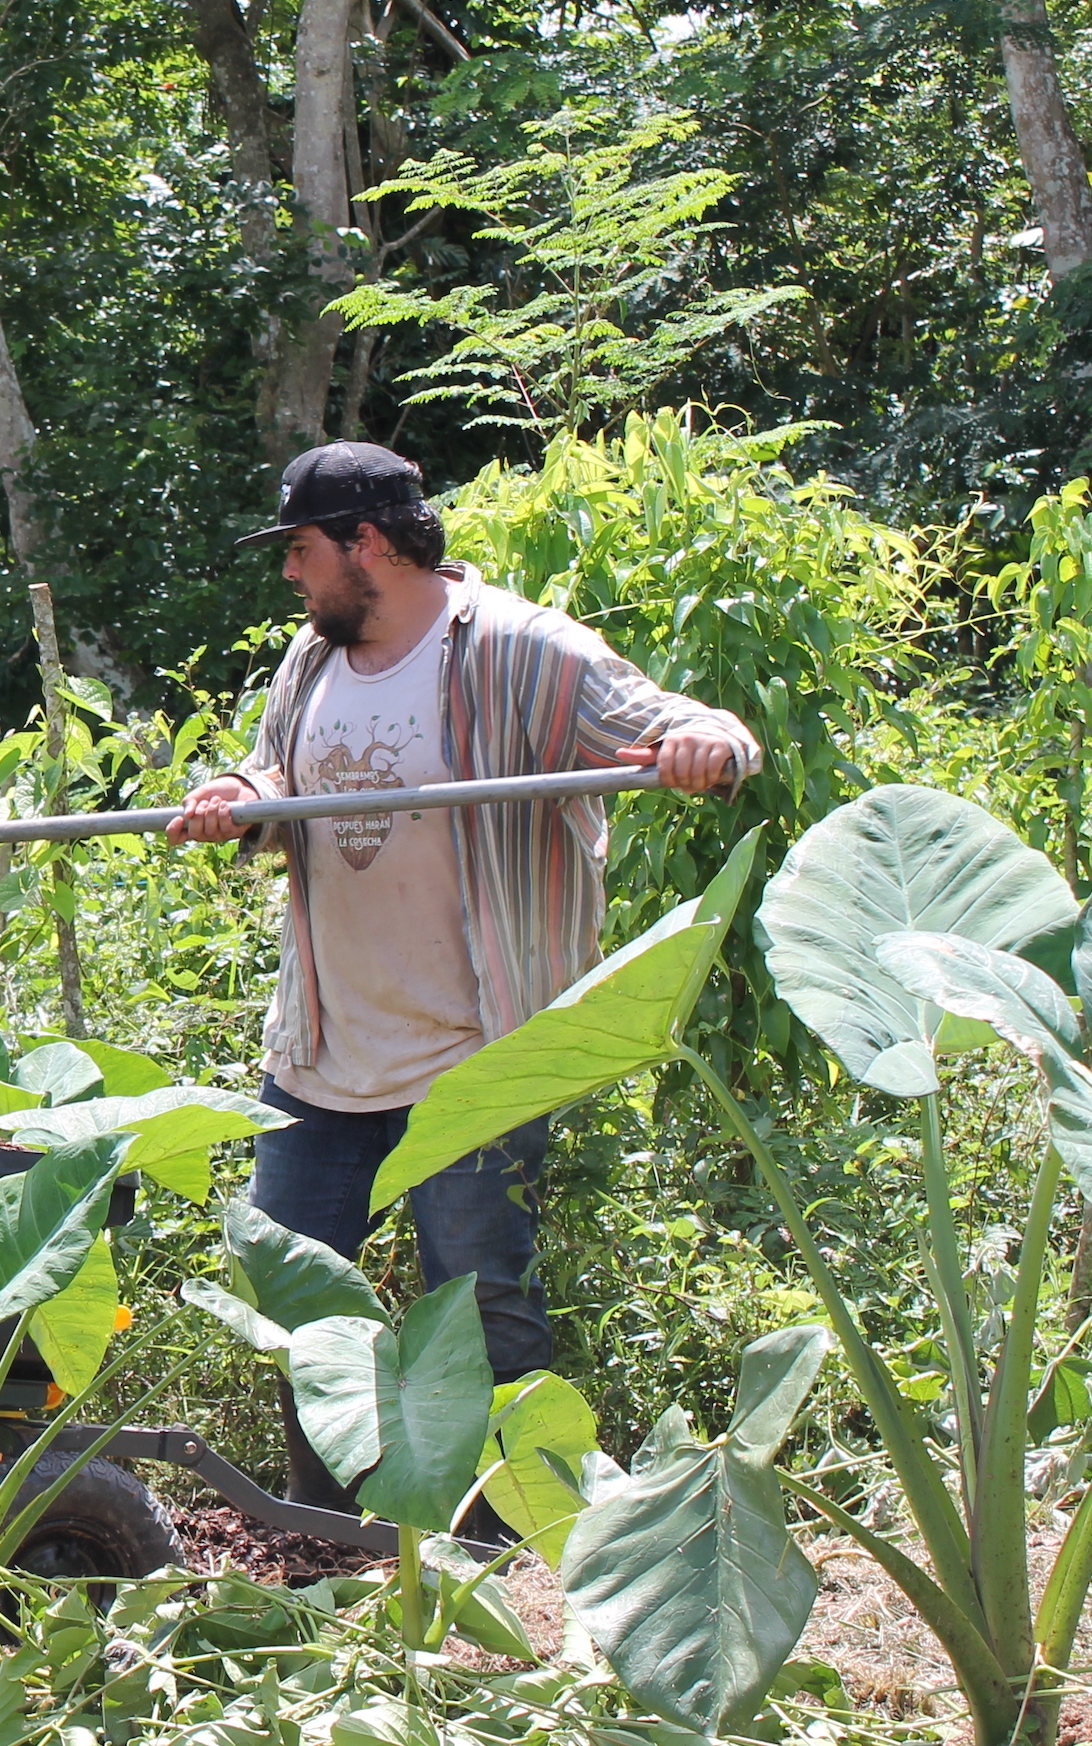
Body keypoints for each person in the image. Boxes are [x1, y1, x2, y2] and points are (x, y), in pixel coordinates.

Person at [167, 442, 757, 1512]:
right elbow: (275, 771)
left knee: (484, 1308)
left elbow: (682, 723)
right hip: (325, 1056)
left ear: (371, 544)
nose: (292, 575)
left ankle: (503, 1544)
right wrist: (235, 792)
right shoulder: (312, 659)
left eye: (302, 550)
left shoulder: (523, 649)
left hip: (472, 1053)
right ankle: (321, 1538)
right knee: (303, 1313)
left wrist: (707, 744)